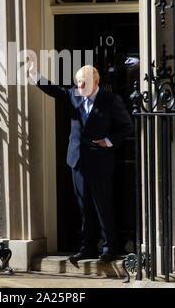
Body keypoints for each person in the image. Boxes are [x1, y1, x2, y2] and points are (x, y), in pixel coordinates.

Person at [28, 61, 134, 263]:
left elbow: (127, 126)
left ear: (96, 81)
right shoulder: (74, 94)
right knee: (84, 205)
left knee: (102, 204)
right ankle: (88, 247)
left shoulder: (110, 100)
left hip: (101, 161)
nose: (80, 87)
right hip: (77, 160)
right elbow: (55, 90)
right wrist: (35, 74)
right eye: (77, 83)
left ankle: (110, 247)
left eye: (84, 83)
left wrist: (109, 141)